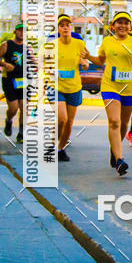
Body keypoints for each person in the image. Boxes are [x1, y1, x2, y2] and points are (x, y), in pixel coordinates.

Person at [88, 11, 132, 176]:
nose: (123, 25)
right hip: (110, 87)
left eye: (126, 23)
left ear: (130, 26)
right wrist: (88, 56)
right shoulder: (107, 41)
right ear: (113, 26)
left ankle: (114, 149)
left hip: (131, 88)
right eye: (119, 22)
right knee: (114, 121)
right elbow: (100, 60)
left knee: (124, 124)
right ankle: (119, 160)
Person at [56, 14, 91, 162]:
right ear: (58, 28)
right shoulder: (52, 44)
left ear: (71, 27)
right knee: (61, 118)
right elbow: (40, 62)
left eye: (67, 25)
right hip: (57, 87)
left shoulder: (78, 43)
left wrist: (84, 63)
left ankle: (60, 148)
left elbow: (85, 61)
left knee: (69, 121)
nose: (65, 27)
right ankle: (52, 144)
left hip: (74, 87)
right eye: (62, 25)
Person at [0, 23, 25, 143]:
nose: (22, 33)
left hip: (23, 81)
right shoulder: (6, 45)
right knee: (13, 108)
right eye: (20, 30)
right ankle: (9, 120)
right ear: (15, 32)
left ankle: (21, 133)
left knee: (24, 107)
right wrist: (4, 64)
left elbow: (32, 61)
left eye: (24, 31)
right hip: (9, 80)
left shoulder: (27, 47)